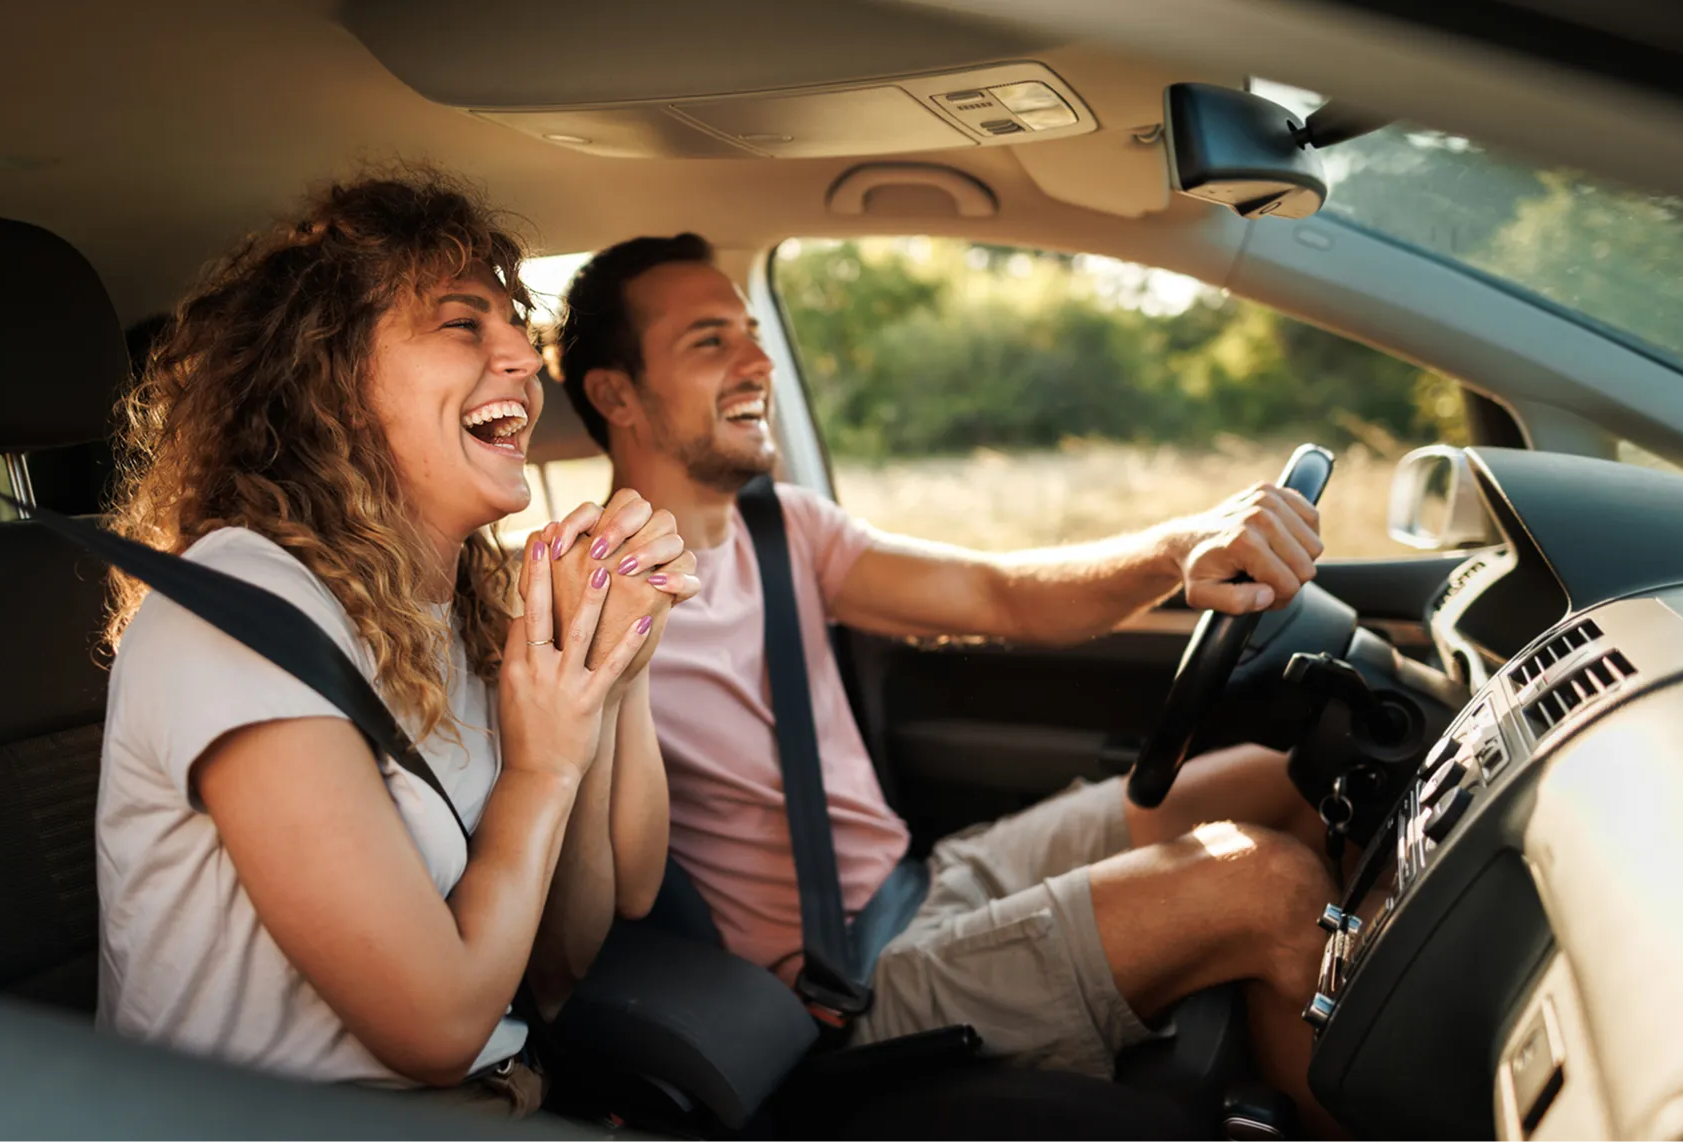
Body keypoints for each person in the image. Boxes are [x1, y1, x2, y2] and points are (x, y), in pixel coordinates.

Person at [551, 232, 1344, 1134]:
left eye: (750, 330)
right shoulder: (582, 599)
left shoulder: (784, 529)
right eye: (710, 340)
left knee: (1285, 781)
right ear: (616, 393)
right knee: (1268, 887)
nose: (759, 360)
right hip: (841, 987)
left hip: (926, 879)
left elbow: (996, 593)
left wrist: (1178, 545)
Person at [93, 173, 698, 1115]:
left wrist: (608, 659)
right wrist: (538, 772)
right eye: (463, 325)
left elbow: (561, 963)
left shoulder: (452, 609)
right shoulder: (239, 611)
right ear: (325, 378)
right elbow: (439, 1028)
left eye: (514, 324)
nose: (526, 359)